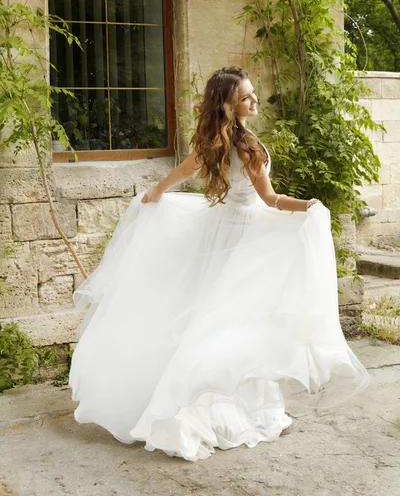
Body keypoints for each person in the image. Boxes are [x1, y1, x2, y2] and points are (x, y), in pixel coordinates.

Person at [69, 66, 370, 462]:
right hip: (241, 236)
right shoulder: (245, 145)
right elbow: (270, 199)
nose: (254, 100)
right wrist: (309, 206)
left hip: (218, 230)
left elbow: (184, 169)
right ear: (229, 104)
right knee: (234, 321)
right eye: (246, 97)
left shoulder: (215, 138)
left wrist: (158, 190)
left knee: (210, 318)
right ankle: (212, 408)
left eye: (252, 94)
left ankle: (215, 401)